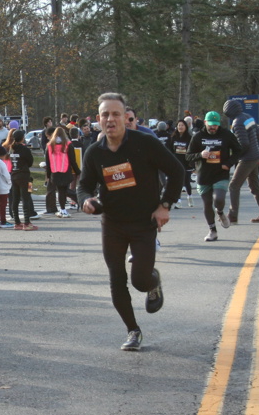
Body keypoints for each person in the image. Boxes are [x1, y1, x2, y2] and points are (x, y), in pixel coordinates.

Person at [77, 93, 184, 351]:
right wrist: (86, 200)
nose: (110, 119)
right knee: (116, 279)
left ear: (126, 117)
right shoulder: (94, 152)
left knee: (140, 281)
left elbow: (177, 171)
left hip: (143, 223)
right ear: (98, 119)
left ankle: (152, 281)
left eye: (115, 114)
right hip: (113, 224)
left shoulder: (144, 143)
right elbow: (83, 186)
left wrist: (165, 205)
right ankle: (133, 331)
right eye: (105, 115)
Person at [188, 111, 242, 242]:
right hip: (204, 175)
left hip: (220, 173)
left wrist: (229, 163)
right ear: (205, 122)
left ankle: (220, 212)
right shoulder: (198, 137)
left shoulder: (226, 134)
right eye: (211, 124)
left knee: (219, 198)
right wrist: (200, 155)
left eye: (215, 125)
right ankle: (212, 231)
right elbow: (188, 156)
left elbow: (238, 150)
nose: (213, 127)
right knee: (207, 204)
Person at [224, 98, 259, 224]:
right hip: (256, 155)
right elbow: (258, 136)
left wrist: (234, 157)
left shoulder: (237, 122)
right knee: (254, 186)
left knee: (234, 186)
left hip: (247, 158)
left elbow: (243, 144)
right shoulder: (248, 117)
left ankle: (232, 215)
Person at [45, 125, 79, 218]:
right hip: (65, 170)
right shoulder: (68, 145)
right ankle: (64, 209)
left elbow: (48, 162)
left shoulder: (49, 146)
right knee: (64, 190)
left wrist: (48, 175)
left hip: (54, 171)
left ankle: (62, 209)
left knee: (60, 190)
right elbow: (72, 160)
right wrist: (77, 171)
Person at [9, 129, 38, 230]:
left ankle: (17, 222)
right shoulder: (25, 149)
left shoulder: (11, 149)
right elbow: (30, 162)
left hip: (14, 175)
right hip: (25, 176)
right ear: (22, 138)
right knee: (26, 198)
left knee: (15, 199)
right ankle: (27, 222)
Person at [167, 120, 194, 207]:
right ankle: (178, 202)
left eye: (182, 125)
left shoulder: (189, 138)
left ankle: (190, 197)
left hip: (187, 163)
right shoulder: (173, 137)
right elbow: (169, 149)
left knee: (186, 182)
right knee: (179, 182)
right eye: (179, 125)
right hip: (177, 163)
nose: (180, 127)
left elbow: (192, 150)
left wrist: (192, 161)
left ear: (186, 127)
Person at [0, 145, 13, 227]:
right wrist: (9, 183)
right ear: (3, 154)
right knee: (3, 205)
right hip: (3, 187)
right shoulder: (1, 163)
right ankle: (3, 221)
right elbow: (6, 175)